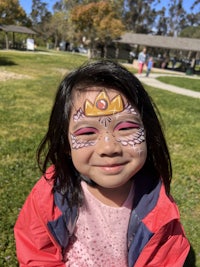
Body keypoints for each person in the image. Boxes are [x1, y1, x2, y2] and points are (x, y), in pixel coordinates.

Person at [14, 60, 190, 267]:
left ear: (148, 133)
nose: (109, 148)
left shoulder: (159, 208)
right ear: (65, 144)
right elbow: (36, 252)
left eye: (125, 128)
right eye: (87, 132)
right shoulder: (51, 195)